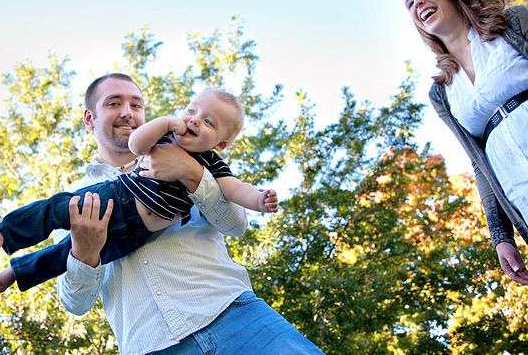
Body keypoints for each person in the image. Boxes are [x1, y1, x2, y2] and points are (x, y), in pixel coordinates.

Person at [29, 73, 323, 354]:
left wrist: (190, 172)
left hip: (236, 316)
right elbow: (75, 302)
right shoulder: (73, 203)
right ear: (90, 118)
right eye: (114, 103)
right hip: (150, 343)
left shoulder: (190, 152)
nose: (128, 112)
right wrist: (85, 253)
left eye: (136, 104)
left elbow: (236, 224)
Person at [0, 88, 279, 293]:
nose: (193, 120)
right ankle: (10, 231)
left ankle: (18, 271)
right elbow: (135, 146)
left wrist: (258, 199)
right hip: (114, 199)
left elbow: (234, 189)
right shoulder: (165, 135)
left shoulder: (210, 164)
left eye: (208, 122)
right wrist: (164, 123)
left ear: (220, 144)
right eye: (191, 110)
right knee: (56, 209)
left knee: (64, 254)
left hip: (134, 236)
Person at [401, 0, 528, 285]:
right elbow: (479, 163)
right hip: (520, 192)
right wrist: (501, 236)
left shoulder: (513, 24)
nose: (417, 5)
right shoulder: (443, 92)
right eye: (409, 4)